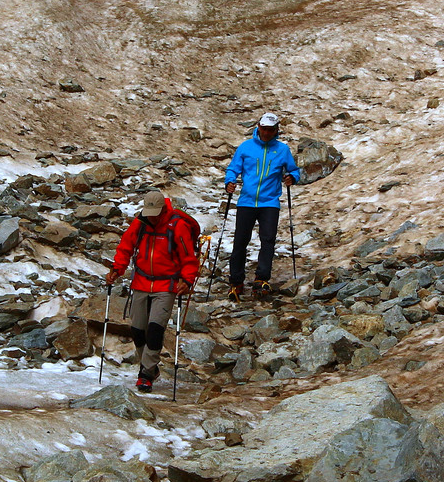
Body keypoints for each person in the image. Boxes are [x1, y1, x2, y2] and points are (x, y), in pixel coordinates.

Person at [106, 191, 200, 393]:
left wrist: (187, 280)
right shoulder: (140, 223)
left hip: (167, 285)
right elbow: (126, 247)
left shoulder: (177, 226)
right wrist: (117, 268)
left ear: (164, 209)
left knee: (155, 329)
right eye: (149, 213)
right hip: (141, 281)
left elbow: (188, 257)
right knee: (138, 330)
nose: (151, 217)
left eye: (155, 213)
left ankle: (146, 374)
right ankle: (151, 367)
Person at [222, 112, 301, 299]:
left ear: (276, 131)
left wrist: (292, 178)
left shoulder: (282, 150)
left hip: (270, 202)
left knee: (268, 240)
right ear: (258, 127)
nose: (266, 133)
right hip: (247, 201)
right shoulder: (245, 147)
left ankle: (262, 278)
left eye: (270, 130)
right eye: (264, 129)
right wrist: (229, 181)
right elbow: (233, 168)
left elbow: (294, 170)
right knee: (240, 241)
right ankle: (236, 280)